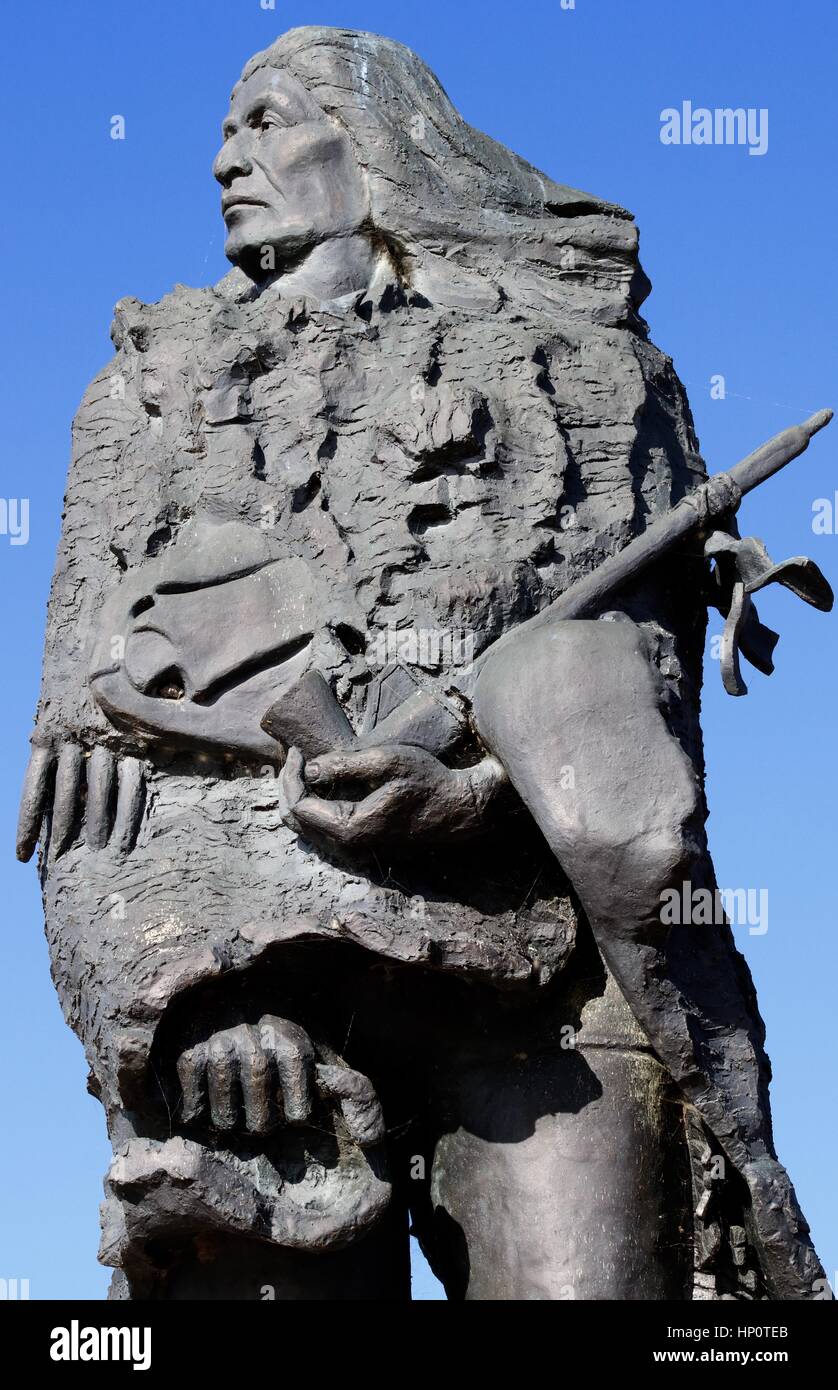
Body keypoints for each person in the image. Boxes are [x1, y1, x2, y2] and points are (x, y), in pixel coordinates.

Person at [18, 27, 826, 1300]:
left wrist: (486, 790)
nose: (227, 156)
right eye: (226, 130)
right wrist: (189, 1003)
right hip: (260, 993)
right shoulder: (143, 402)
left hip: (538, 960)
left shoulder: (595, 375)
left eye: (269, 120)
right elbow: (88, 773)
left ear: (381, 144)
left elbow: (641, 690)